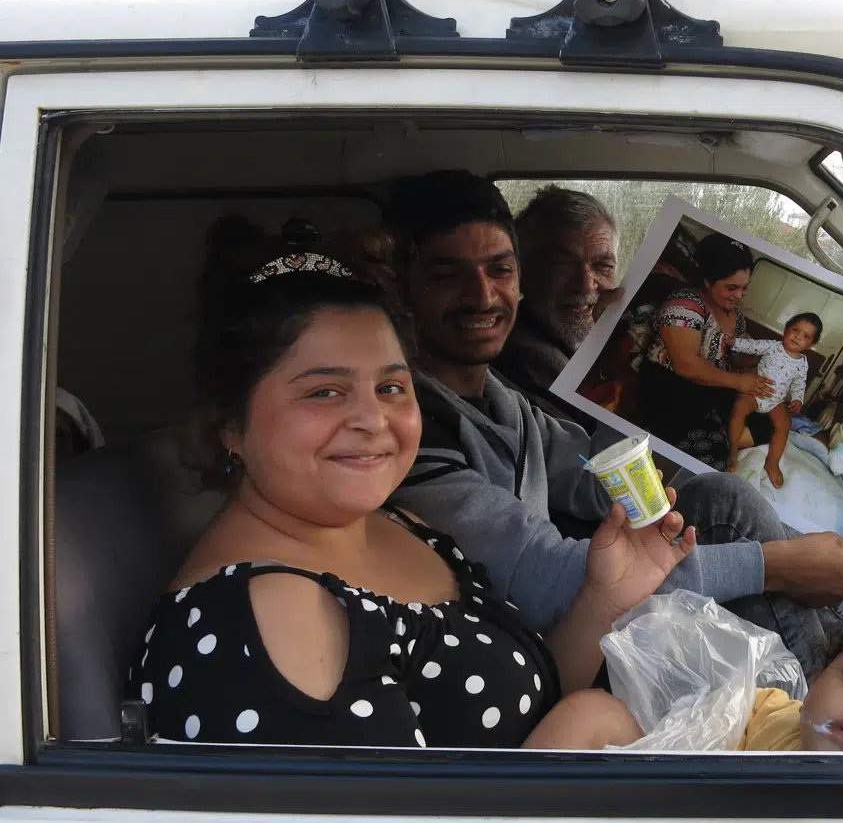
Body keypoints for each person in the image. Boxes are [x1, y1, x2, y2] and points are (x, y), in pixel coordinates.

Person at [126, 218, 695, 747]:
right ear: (232, 422)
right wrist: (579, 733)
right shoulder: (262, 621)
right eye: (324, 391)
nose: (373, 420)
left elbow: (513, 711)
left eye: (392, 388)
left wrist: (604, 599)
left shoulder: (400, 523)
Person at [380, 171, 843, 673]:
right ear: (404, 287)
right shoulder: (405, 437)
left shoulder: (501, 401)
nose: (483, 296)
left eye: (499, 270)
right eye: (448, 275)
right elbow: (551, 580)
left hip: (595, 579)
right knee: (760, 542)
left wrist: (616, 359)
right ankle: (836, 699)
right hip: (551, 645)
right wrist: (779, 566)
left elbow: (596, 473)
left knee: (729, 498)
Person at [537, 613, 843, 779]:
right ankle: (495, 807)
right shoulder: (767, 712)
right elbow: (687, 752)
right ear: (816, 677)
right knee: (591, 712)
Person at [638, 232, 777, 470]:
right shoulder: (683, 306)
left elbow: (739, 349)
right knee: (709, 453)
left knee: (771, 422)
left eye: (744, 288)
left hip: (713, 386)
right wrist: (740, 382)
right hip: (673, 388)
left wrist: (757, 359)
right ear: (707, 281)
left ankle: (726, 435)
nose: (739, 295)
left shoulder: (734, 314)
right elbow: (686, 364)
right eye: (731, 287)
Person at [494, 186, 623, 428]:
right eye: (561, 265)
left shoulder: (601, 341)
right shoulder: (521, 358)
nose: (586, 285)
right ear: (523, 271)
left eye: (603, 266)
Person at [725, 312, 823, 488]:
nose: (798, 337)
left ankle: (772, 463)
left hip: (776, 401)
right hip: (755, 392)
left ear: (811, 344)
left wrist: (798, 400)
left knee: (784, 424)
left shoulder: (803, 363)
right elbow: (752, 346)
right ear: (786, 330)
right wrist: (734, 342)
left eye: (806, 336)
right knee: (738, 408)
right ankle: (733, 450)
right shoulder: (772, 346)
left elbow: (799, 384)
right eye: (795, 330)